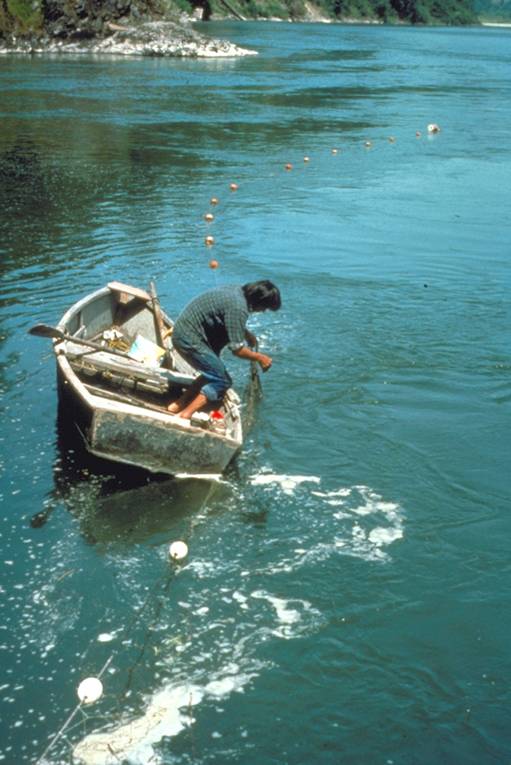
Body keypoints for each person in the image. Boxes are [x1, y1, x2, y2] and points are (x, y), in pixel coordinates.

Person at [167, 280, 281, 419]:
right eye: (265, 308)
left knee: (213, 372)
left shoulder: (236, 290)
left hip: (184, 331)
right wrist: (260, 357)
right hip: (187, 339)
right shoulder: (239, 308)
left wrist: (246, 334)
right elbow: (237, 350)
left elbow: (227, 317)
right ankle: (185, 414)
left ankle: (178, 404)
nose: (263, 311)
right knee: (222, 380)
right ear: (259, 301)